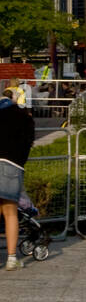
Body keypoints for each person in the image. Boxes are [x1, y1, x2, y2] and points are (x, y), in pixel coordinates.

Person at [0, 82, 35, 271]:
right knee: (10, 213)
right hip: (12, 166)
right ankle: (12, 259)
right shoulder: (24, 117)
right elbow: (29, 142)